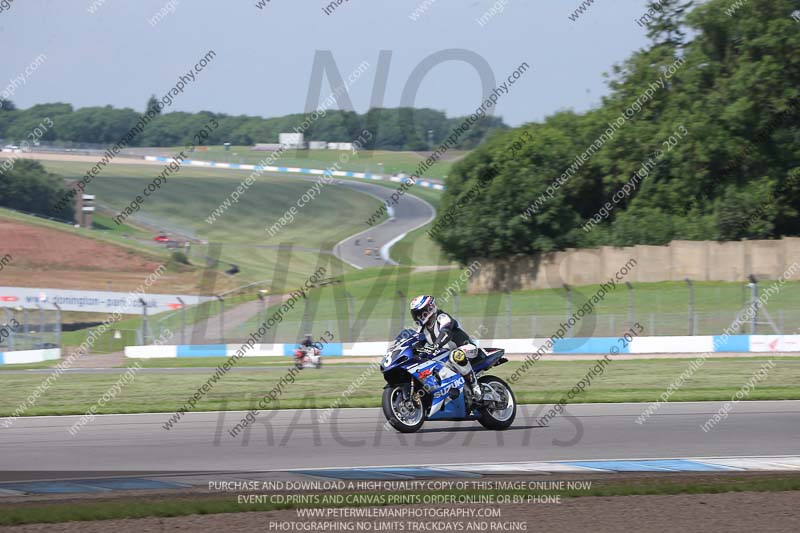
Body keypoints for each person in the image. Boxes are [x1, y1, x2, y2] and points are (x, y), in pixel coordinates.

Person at [409, 295, 482, 400]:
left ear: (430, 308)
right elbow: (416, 341)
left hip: (466, 348)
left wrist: (436, 345)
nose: (419, 316)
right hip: (445, 355)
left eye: (421, 313)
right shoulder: (422, 329)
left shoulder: (442, 317)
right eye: (416, 314)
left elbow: (446, 332)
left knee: (455, 355)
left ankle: (475, 386)